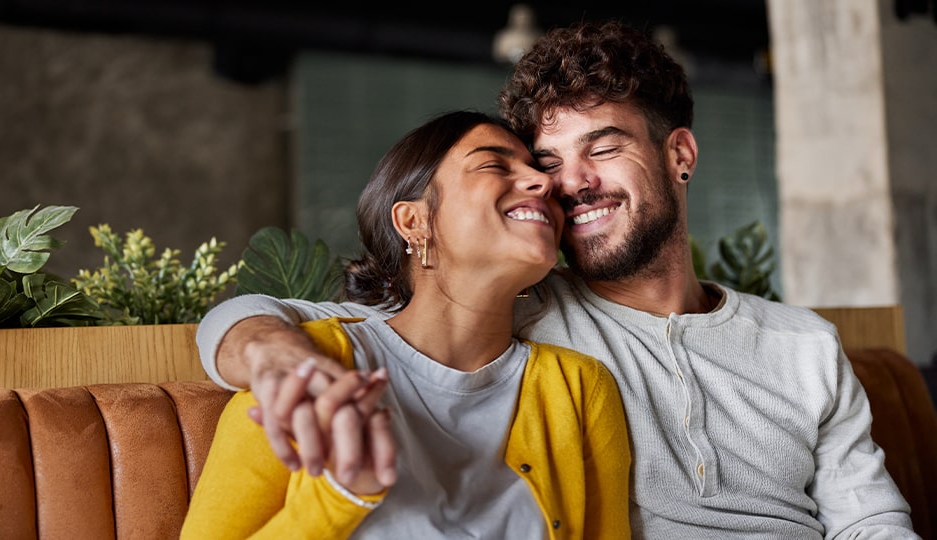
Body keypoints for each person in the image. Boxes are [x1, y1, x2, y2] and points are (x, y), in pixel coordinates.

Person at [194, 21, 920, 539]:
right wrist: (273, 355)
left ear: (680, 156)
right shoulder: (524, 312)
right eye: (547, 163)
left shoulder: (804, 345)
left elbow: (867, 518)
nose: (567, 184)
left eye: (601, 148)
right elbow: (311, 326)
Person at [181, 110, 632, 539]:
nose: (544, 182)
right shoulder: (308, 370)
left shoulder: (578, 388)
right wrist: (342, 496)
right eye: (494, 165)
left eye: (538, 172)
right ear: (414, 221)